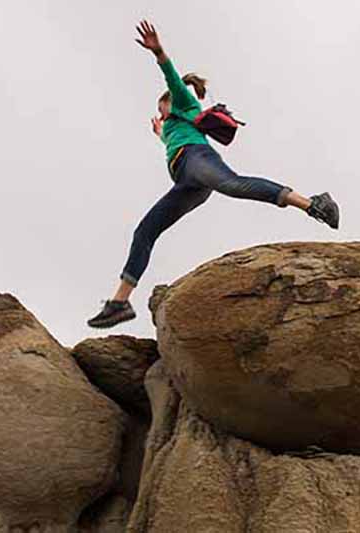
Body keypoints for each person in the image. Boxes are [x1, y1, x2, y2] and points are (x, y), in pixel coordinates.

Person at [87, 19, 340, 328]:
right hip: (187, 180)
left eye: (161, 108)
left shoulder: (181, 100)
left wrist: (158, 51)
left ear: (169, 103)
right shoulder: (172, 128)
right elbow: (174, 139)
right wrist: (160, 134)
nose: (161, 114)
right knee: (145, 231)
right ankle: (119, 303)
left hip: (197, 160)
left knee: (234, 185)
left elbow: (172, 78)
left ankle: (313, 203)